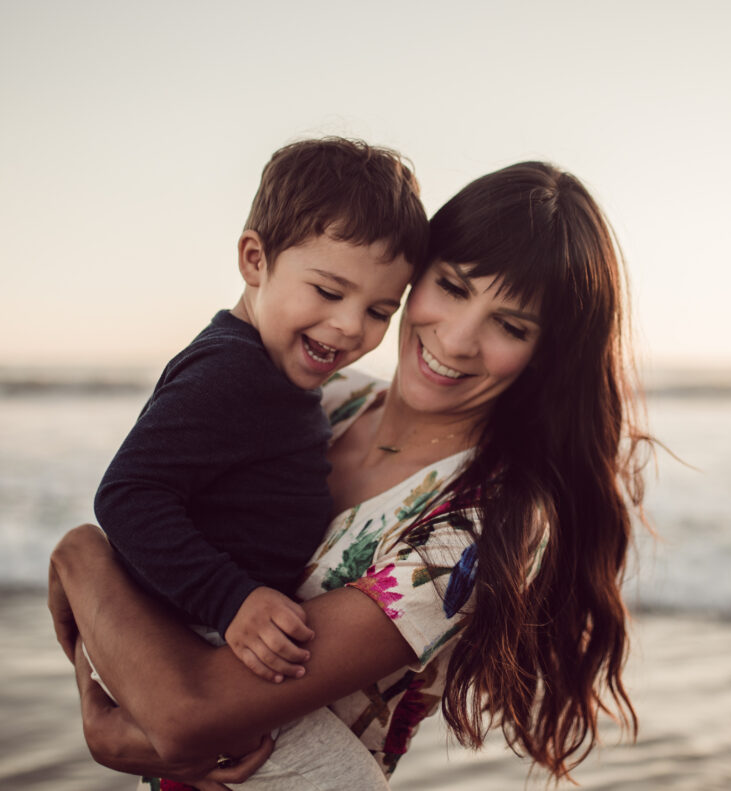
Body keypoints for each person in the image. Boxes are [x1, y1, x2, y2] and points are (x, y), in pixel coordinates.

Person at [49, 161, 651, 790]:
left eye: (510, 325)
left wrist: (77, 556)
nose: (458, 339)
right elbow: (147, 522)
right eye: (450, 286)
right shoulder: (314, 391)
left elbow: (187, 716)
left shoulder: (485, 523)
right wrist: (100, 693)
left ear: (545, 355)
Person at [93, 137, 427, 684]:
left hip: (216, 632)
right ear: (256, 259)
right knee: (347, 778)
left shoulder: (275, 369)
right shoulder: (230, 372)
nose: (349, 325)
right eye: (327, 290)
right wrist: (231, 601)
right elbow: (127, 495)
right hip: (194, 637)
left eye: (378, 310)